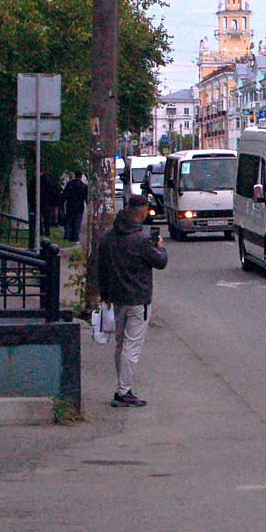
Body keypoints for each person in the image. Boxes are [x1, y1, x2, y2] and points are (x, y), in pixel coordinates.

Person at [97, 194, 168, 408]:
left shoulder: (108, 236)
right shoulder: (142, 239)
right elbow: (160, 262)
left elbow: (102, 267)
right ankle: (124, 390)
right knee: (132, 345)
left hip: (116, 298)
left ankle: (123, 386)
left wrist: (105, 295)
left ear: (126, 208)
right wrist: (160, 246)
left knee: (121, 343)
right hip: (138, 298)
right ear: (143, 213)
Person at [60, 170, 88, 243]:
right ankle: (75, 237)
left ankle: (67, 236)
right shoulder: (84, 186)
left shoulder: (70, 184)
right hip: (79, 207)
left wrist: (63, 203)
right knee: (77, 222)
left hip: (70, 206)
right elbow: (86, 198)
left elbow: (64, 195)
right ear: (81, 176)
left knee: (69, 221)